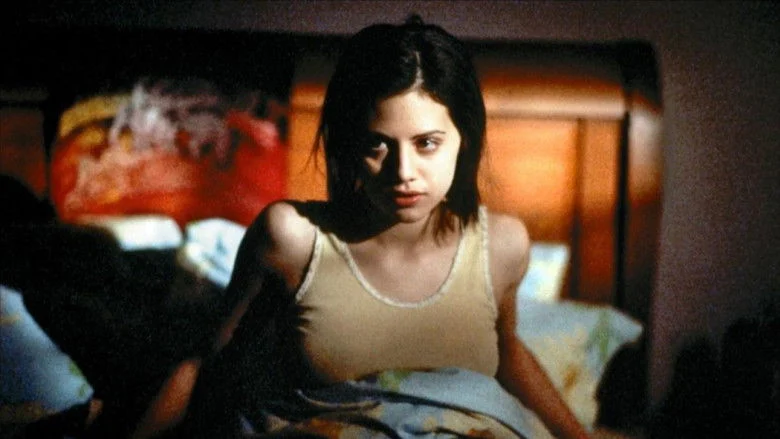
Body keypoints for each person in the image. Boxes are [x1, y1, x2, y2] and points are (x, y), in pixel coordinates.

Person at [133, 16, 591, 439]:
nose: (403, 172)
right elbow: (208, 363)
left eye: (427, 144)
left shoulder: (502, 247)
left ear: (463, 140)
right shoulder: (292, 238)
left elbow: (507, 352)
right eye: (377, 145)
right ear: (349, 146)